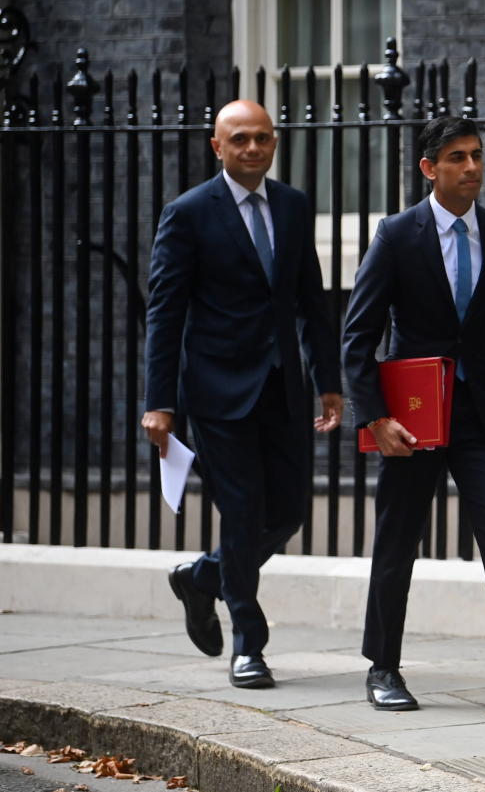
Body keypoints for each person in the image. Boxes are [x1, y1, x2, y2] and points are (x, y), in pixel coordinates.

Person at [341, 115, 485, 713]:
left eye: (476, 156)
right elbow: (357, 336)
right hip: (414, 417)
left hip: (483, 415)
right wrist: (374, 417)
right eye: (457, 158)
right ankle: (383, 667)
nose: (472, 168)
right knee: (398, 540)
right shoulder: (396, 235)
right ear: (429, 169)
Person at [142, 99, 343, 689]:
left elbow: (311, 298)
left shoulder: (293, 205)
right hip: (217, 391)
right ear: (217, 146)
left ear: (273, 142)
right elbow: (165, 311)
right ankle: (248, 645)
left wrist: (327, 381)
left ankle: (202, 577)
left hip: (283, 388)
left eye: (261, 138)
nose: (252, 148)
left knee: (288, 513)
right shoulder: (187, 214)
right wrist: (159, 402)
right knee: (243, 511)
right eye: (240, 140)